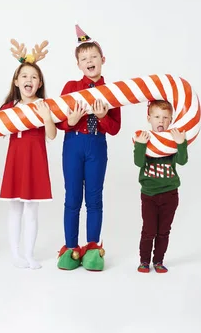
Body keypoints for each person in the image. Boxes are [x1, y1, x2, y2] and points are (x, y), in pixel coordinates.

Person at [56, 24, 121, 271]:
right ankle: (71, 248)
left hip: (97, 145)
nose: (89, 61)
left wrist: (103, 117)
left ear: (102, 59)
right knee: (72, 197)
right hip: (73, 144)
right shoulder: (70, 87)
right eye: (84, 58)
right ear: (78, 64)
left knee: (94, 198)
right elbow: (59, 120)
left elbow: (114, 128)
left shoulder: (113, 92)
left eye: (93, 56)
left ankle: (93, 248)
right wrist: (69, 122)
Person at [0, 40, 56, 269]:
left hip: (35, 162)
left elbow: (51, 135)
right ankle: (16, 254)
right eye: (24, 76)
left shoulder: (45, 105)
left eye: (33, 77)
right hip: (15, 161)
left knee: (32, 209)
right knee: (15, 208)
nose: (28, 80)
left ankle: (30, 254)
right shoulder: (10, 107)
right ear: (16, 81)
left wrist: (47, 117)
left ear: (39, 83)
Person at [134, 100, 188, 273]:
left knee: (164, 231)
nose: (161, 121)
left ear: (171, 120)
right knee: (149, 230)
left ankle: (158, 261)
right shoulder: (144, 138)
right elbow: (138, 162)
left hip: (170, 194)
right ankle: (144, 261)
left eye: (165, 117)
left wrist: (181, 143)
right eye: (157, 117)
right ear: (149, 118)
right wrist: (141, 145)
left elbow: (182, 160)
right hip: (149, 194)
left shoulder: (172, 140)